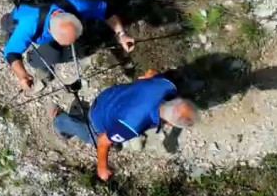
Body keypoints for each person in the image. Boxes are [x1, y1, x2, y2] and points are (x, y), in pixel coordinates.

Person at [51, 70, 199, 181]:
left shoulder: (167, 85)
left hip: (111, 96)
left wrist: (145, 82)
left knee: (110, 123)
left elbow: (151, 73)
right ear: (171, 122)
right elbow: (103, 141)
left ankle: (80, 112)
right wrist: (102, 167)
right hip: (99, 117)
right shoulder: (133, 125)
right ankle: (60, 120)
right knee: (93, 137)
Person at [3, 0, 135, 90]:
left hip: (40, 20)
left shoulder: (77, 4)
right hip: (20, 18)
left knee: (57, 52)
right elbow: (11, 52)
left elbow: (107, 11)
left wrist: (121, 34)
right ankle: (33, 59)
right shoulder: (29, 25)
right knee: (9, 28)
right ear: (50, 32)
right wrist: (22, 75)